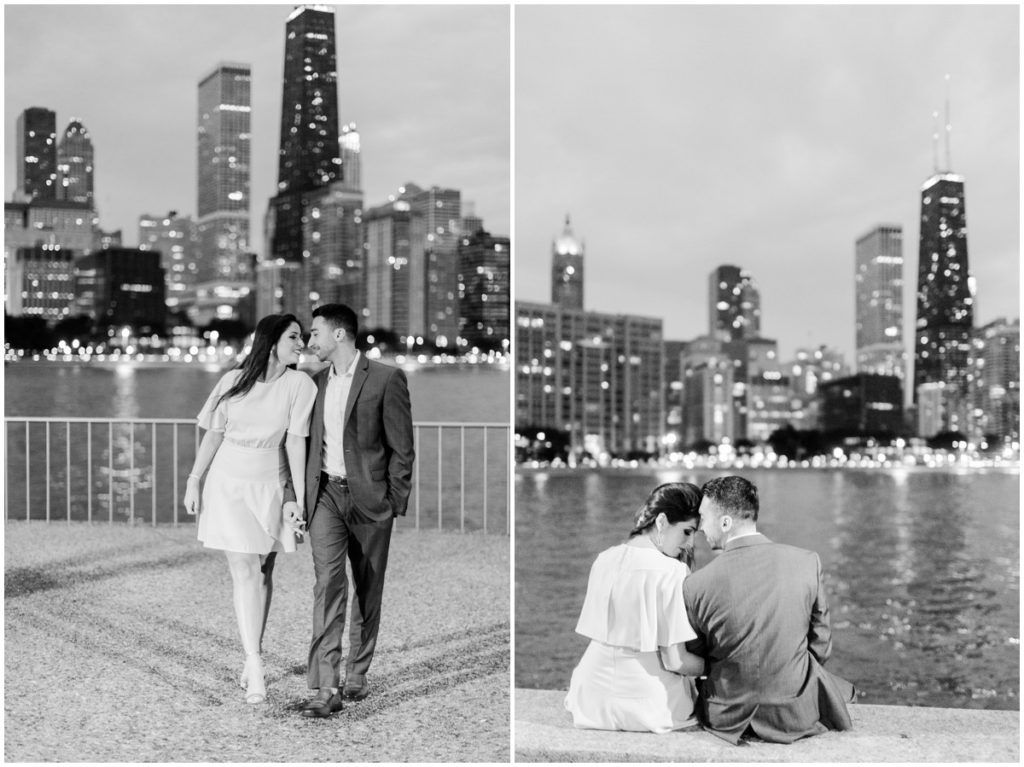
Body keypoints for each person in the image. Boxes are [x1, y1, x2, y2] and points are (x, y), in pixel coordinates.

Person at [283, 303, 415, 718]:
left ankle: (357, 670)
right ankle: (325, 685)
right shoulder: (312, 383)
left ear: (339, 335)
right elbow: (298, 445)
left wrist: (393, 501)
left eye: (316, 333)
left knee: (368, 587)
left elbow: (402, 448)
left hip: (371, 500)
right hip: (325, 496)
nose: (310, 341)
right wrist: (297, 496)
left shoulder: (387, 378)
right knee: (328, 585)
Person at [183, 314, 317, 705]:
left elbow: (295, 444)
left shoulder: (300, 385)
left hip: (270, 483)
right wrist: (194, 479)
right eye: (294, 337)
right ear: (271, 340)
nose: (301, 344)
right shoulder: (232, 381)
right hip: (228, 483)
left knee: (262, 571)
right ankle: (254, 662)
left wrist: (298, 503)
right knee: (243, 569)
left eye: (302, 338)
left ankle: (250, 652)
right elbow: (214, 433)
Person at [683, 475, 856, 745]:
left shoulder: (695, 584)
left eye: (704, 518)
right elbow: (821, 644)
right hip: (794, 712)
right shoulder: (807, 562)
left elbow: (697, 656)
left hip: (726, 715)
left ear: (725, 522)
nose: (701, 528)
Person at [564, 482, 706, 733]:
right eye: (687, 531)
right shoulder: (672, 571)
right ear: (661, 521)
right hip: (649, 704)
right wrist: (715, 666)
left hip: (590, 697)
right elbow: (675, 661)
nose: (691, 543)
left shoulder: (604, 559)